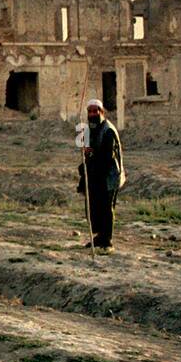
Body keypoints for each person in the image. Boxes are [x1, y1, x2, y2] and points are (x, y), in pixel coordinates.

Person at [77, 98, 125, 252]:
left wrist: (91, 157)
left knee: (106, 207)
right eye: (89, 111)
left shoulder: (108, 130)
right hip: (96, 174)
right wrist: (86, 150)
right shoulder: (88, 128)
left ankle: (107, 240)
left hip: (108, 175)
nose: (92, 114)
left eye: (95, 111)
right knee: (94, 206)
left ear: (101, 112)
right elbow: (87, 149)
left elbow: (106, 156)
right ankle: (99, 237)